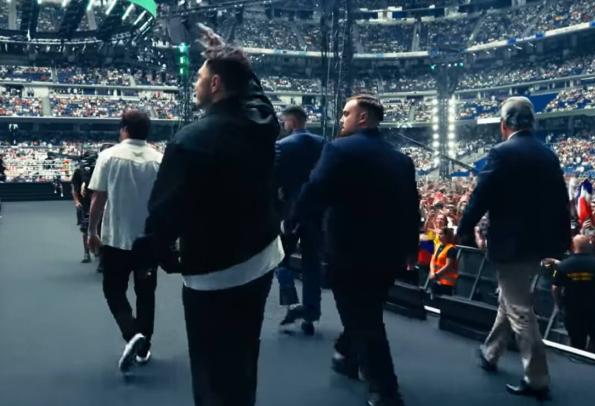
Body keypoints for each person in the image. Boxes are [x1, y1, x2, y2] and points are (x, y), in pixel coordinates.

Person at [133, 25, 282, 406]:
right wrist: (235, 60)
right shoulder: (263, 123)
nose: (195, 84)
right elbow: (256, 96)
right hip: (262, 258)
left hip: (214, 274)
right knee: (245, 351)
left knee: (211, 366)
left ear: (215, 84)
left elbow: (164, 215)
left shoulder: (190, 140)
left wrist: (160, 258)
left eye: (199, 78)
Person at [292, 94, 420, 406]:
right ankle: (346, 356)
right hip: (388, 253)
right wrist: (410, 249)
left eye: (346, 113)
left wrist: (292, 220)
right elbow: (411, 209)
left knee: (364, 317)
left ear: (362, 117)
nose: (341, 119)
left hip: (349, 250)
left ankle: (385, 389)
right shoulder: (401, 160)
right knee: (367, 309)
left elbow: (315, 188)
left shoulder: (338, 148)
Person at [456, 96, 571, 400]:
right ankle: (491, 352)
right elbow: (561, 202)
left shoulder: (502, 153)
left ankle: (538, 378)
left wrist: (464, 229)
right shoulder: (548, 154)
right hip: (540, 243)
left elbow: (482, 196)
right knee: (510, 298)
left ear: (503, 124)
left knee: (519, 308)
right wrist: (562, 241)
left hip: (511, 244)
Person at [87, 109, 162, 373]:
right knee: (146, 294)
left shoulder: (108, 156)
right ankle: (144, 346)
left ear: (124, 129)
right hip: (148, 243)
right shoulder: (159, 160)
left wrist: (91, 231)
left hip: (116, 240)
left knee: (113, 290)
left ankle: (132, 335)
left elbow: (98, 199)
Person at [274, 105, 325, 335]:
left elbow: (274, 179)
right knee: (312, 263)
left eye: (284, 122)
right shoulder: (324, 143)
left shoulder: (283, 146)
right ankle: (311, 315)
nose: (283, 126)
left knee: (279, 258)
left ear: (292, 122)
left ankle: (292, 302)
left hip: (290, 212)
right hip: (316, 212)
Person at [71, 153, 96, 263]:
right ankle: (86, 253)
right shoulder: (78, 171)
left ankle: (99, 254)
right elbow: (75, 188)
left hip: (98, 202)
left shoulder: (99, 169)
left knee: (100, 229)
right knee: (85, 229)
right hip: (84, 203)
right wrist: (76, 201)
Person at [427, 227, 458, 296]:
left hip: (446, 282)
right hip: (435, 279)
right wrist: (432, 272)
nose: (439, 235)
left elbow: (448, 265)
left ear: (447, 236)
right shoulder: (437, 246)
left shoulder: (451, 248)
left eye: (441, 234)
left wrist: (437, 274)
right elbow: (432, 260)